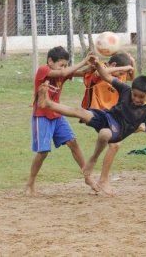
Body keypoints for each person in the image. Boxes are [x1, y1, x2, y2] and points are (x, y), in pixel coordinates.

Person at [36, 58, 146, 190]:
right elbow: (106, 76)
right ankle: (48, 103)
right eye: (134, 95)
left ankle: (97, 167)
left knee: (105, 134)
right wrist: (97, 65)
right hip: (108, 116)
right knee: (80, 112)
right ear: (131, 91)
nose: (136, 99)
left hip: (119, 130)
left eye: (141, 97)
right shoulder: (125, 90)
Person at [25, 46, 95, 196]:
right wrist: (83, 61)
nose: (64, 67)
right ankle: (30, 184)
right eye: (61, 64)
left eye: (65, 64)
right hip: (42, 115)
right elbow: (64, 72)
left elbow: (82, 73)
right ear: (50, 61)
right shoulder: (43, 70)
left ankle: (87, 176)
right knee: (43, 152)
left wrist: (93, 65)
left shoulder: (62, 72)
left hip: (57, 115)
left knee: (73, 143)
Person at [80, 52, 138, 196]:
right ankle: (103, 179)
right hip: (96, 111)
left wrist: (132, 63)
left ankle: (94, 170)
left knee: (113, 142)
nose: (120, 76)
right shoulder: (99, 68)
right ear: (113, 65)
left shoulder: (120, 72)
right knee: (115, 143)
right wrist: (125, 66)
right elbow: (103, 73)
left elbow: (132, 77)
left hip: (112, 115)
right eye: (119, 71)